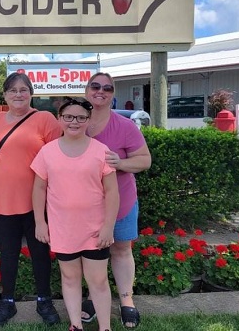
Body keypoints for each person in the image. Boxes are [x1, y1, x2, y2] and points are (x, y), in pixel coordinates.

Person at [31, 97, 119, 331]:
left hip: (95, 229)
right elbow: (39, 188)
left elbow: (112, 191)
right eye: (68, 117)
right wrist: (40, 222)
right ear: (60, 119)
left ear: (88, 121)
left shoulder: (101, 151)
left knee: (98, 281)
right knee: (69, 278)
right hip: (63, 229)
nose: (74, 122)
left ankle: (105, 327)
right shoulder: (47, 152)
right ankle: (76, 325)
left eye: (81, 117)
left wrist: (108, 226)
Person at [0, 72, 63, 326]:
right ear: (5, 95)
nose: (18, 94)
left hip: (36, 202)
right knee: (8, 253)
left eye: (23, 89)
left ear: (31, 93)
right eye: (12, 90)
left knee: (40, 252)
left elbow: (58, 159)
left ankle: (44, 300)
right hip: (3, 200)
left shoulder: (45, 119)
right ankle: (7, 301)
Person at [81, 72, 152, 329]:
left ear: (112, 94)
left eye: (107, 88)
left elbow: (144, 160)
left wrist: (120, 163)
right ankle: (92, 298)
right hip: (83, 206)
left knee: (121, 250)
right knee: (91, 254)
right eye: (95, 86)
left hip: (121, 202)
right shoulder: (75, 121)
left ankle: (126, 300)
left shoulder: (124, 126)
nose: (101, 91)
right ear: (87, 90)